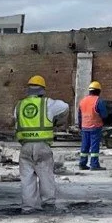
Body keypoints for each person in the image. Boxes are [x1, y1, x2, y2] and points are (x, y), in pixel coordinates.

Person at [15, 75, 68, 213]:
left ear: (28, 89)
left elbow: (15, 121)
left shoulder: (19, 105)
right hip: (42, 146)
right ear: (42, 90)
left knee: (27, 178)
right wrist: (56, 119)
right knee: (45, 175)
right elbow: (65, 107)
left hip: (25, 146)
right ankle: (48, 203)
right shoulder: (48, 104)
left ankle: (28, 207)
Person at [77, 80, 108, 170]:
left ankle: (82, 163)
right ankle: (94, 164)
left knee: (85, 146)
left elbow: (79, 115)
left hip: (84, 127)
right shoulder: (98, 101)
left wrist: (80, 126)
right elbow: (104, 114)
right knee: (94, 147)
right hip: (95, 127)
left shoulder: (83, 101)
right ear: (98, 91)